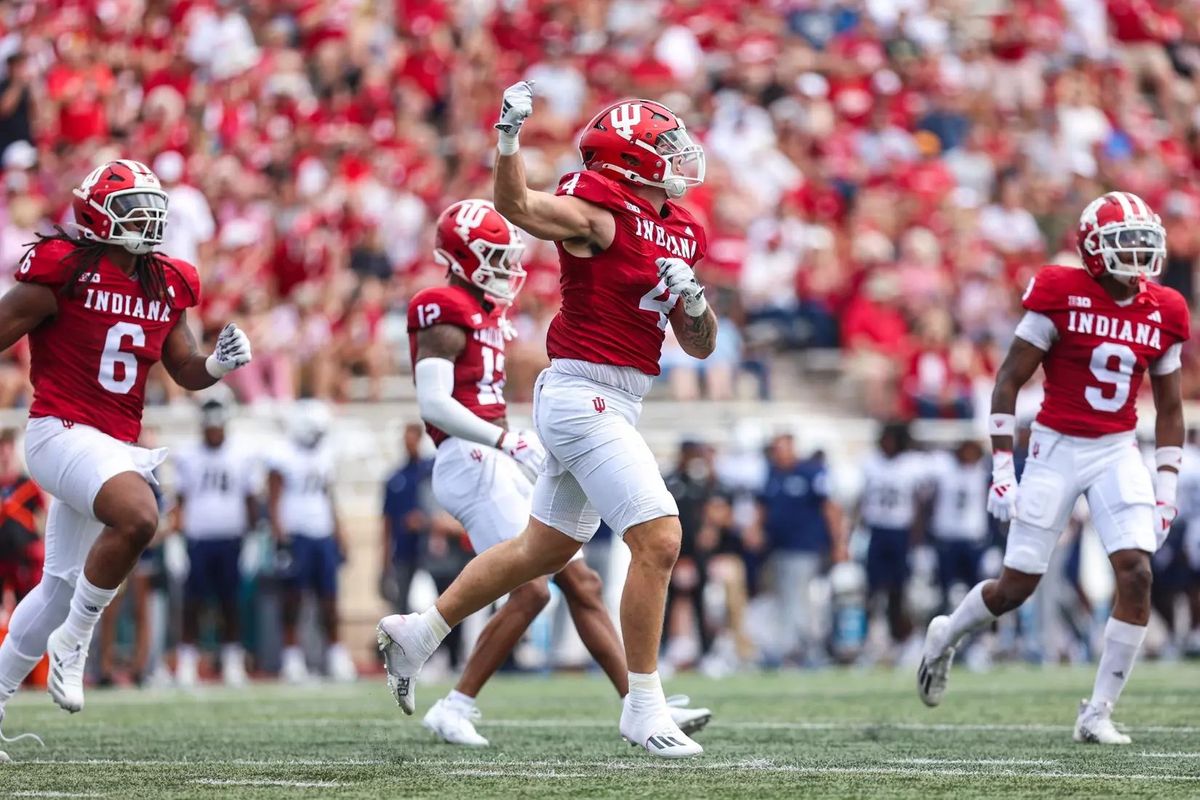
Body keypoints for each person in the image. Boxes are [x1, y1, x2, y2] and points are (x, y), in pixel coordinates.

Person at [378, 84, 718, 758]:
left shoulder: (682, 229)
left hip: (617, 398)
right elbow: (520, 207)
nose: (679, 155)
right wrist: (509, 138)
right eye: (664, 146)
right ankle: (642, 706)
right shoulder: (599, 213)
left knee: (542, 552)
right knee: (659, 538)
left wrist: (694, 302)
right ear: (629, 161)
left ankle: (420, 633)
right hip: (582, 393)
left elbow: (699, 345)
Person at [0, 159, 251, 757]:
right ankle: (76, 641)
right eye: (134, 209)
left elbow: (183, 368)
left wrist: (217, 364)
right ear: (97, 216)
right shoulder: (63, 270)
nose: (149, 220)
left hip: (110, 444)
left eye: (152, 209)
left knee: (57, 589)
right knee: (140, 514)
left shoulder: (165, 280)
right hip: (60, 431)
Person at [919, 192, 1189, 745]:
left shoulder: (1165, 307)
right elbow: (1008, 382)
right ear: (1092, 249)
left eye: (1144, 243)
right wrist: (1002, 467)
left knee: (1137, 572)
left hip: (1118, 448)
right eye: (1124, 243)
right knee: (1015, 587)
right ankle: (948, 634)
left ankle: (1098, 712)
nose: (1138, 255)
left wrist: (1166, 488)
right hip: (1056, 445)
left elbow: (1170, 408)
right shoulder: (1060, 291)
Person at [172, 396, 258, 688]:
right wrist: (176, 539)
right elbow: (181, 500)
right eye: (209, 427)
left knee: (230, 603)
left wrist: (254, 538)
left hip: (231, 539)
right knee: (193, 603)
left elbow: (250, 500)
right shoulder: (188, 455)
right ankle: (187, 661)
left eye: (217, 427)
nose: (213, 433)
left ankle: (233, 660)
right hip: (198, 540)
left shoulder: (242, 454)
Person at [268, 399, 356, 684]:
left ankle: (335, 653)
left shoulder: (325, 452)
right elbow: (273, 499)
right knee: (293, 599)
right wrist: (279, 536)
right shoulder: (282, 453)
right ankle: (292, 657)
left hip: (322, 533)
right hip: (295, 535)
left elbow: (328, 495)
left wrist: (340, 531)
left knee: (329, 598)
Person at [756, 433, 846, 665]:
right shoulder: (772, 474)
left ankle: (802, 650)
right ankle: (788, 648)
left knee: (798, 599)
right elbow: (763, 507)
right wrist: (756, 531)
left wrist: (838, 543)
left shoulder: (811, 473)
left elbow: (830, 508)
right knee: (784, 600)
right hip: (777, 548)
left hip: (804, 547)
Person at [859, 422, 927, 655]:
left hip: (900, 531)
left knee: (900, 588)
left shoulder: (913, 465)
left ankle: (899, 635)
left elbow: (920, 503)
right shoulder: (870, 463)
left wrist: (917, 537)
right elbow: (862, 499)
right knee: (872, 586)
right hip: (876, 530)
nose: (888, 444)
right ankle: (870, 635)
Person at [925, 441, 991, 612]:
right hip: (947, 537)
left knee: (976, 589)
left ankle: (979, 624)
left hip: (973, 538)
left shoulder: (983, 473)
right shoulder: (944, 470)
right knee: (943, 588)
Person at [380, 423, 434, 615]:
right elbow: (387, 522)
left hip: (430, 552)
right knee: (401, 607)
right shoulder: (395, 478)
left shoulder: (431, 472)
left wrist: (425, 521)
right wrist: (385, 562)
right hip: (403, 553)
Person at [0, 429, 45, 608]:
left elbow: (44, 515)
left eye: (8, 449)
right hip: (2, 555)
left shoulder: (29, 486)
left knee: (26, 604)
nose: (5, 455)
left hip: (24, 556)